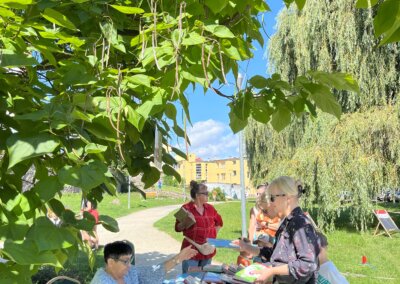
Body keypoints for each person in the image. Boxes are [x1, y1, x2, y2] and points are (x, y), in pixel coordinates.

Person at [234, 176, 320, 284]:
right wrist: (247, 247)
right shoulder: (287, 222)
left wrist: (272, 271)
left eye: (272, 198)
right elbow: (276, 254)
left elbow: (308, 264)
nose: (270, 203)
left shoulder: (300, 224)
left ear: (287, 198)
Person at [91, 240, 197, 284]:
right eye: (125, 261)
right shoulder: (102, 281)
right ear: (111, 262)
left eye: (130, 260)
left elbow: (152, 271)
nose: (129, 265)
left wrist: (178, 258)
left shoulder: (129, 272)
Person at [175, 180, 223, 273]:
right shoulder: (186, 208)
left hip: (207, 250)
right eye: (205, 193)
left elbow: (219, 223)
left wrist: (212, 237)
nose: (207, 194)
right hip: (191, 251)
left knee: (205, 278)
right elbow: (177, 228)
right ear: (197, 195)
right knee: (190, 278)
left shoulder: (210, 208)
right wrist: (186, 221)